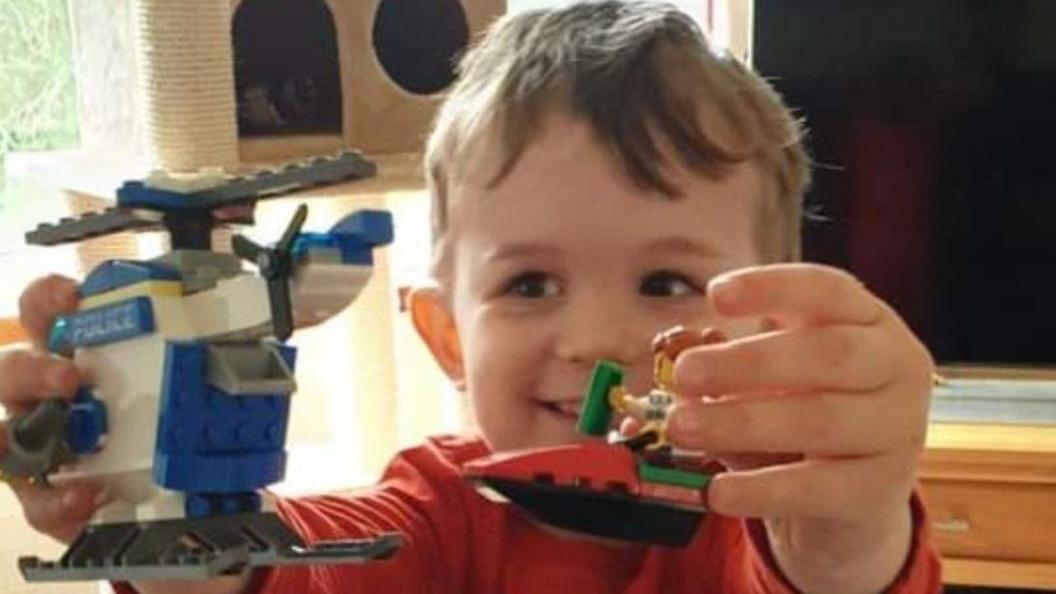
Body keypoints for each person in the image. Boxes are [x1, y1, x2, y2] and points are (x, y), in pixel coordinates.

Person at [0, 2, 942, 592]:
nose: (596, 338)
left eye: (667, 282)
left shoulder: (770, 520)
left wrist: (849, 526)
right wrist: (151, 498)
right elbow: (271, 572)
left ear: (765, 330)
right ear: (447, 335)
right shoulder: (436, 510)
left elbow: (830, 574)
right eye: (529, 283)